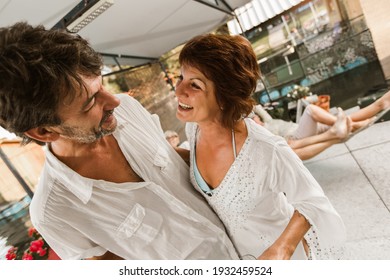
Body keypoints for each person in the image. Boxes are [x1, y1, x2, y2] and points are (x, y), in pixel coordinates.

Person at [0, 22, 239, 260]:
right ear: (43, 132)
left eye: (101, 84)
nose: (114, 101)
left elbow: (174, 159)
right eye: (91, 102)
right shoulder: (54, 213)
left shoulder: (127, 108)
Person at [175, 33, 346, 260]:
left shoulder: (266, 149)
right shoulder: (193, 131)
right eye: (180, 78)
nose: (178, 90)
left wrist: (282, 249)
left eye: (194, 85)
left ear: (224, 97)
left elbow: (314, 201)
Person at [252, 89, 390, 160]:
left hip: (303, 130)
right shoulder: (264, 134)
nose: (256, 118)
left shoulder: (268, 122)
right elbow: (282, 145)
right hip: (297, 137)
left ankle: (379, 104)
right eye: (254, 119)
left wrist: (254, 109)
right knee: (311, 110)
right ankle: (349, 124)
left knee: (345, 119)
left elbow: (257, 108)